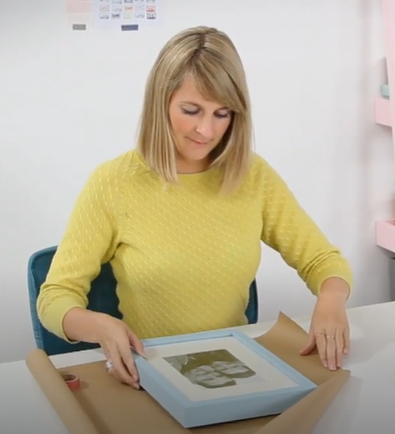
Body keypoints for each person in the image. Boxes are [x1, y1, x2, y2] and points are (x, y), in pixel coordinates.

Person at [37, 26, 353, 390]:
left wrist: (331, 299)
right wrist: (101, 325)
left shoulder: (253, 176)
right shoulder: (113, 183)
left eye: (223, 114)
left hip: (238, 372)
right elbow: (55, 297)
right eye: (191, 110)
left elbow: (322, 261)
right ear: (161, 102)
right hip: (150, 377)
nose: (206, 129)